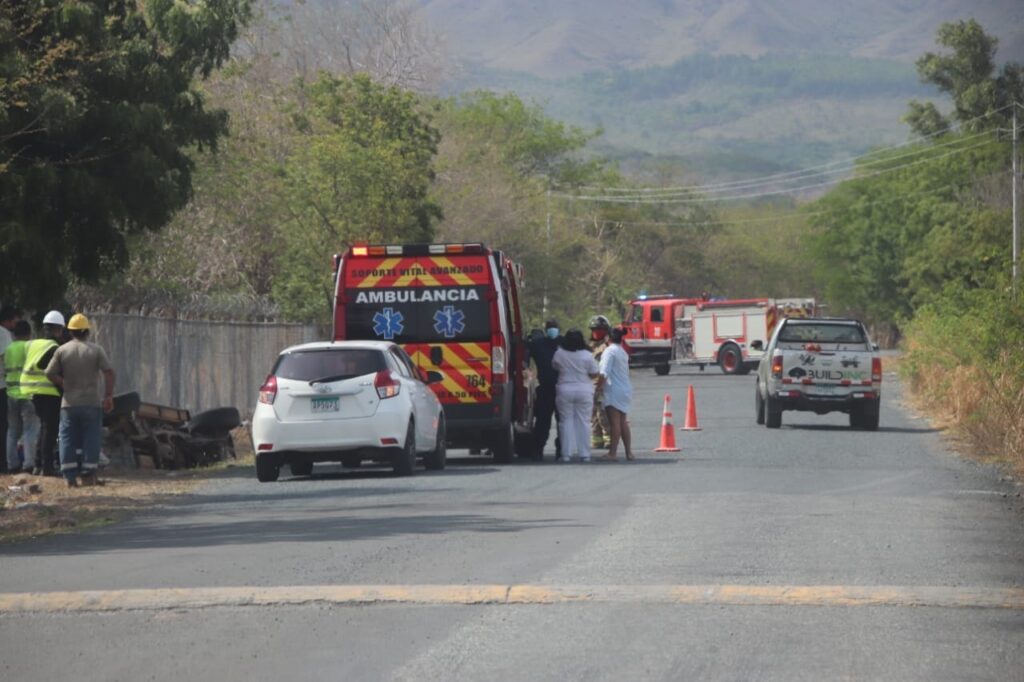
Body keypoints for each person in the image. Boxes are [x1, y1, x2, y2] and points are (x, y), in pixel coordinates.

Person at [45, 313, 115, 487]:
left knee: (68, 438)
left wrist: (64, 384)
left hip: (69, 403)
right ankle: (88, 474)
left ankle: (69, 477)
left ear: (70, 331)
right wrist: (108, 396)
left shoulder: (62, 350)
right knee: (90, 438)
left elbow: (49, 372)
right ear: (86, 331)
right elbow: (109, 372)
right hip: (91, 402)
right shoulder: (96, 350)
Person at [21, 310, 66, 476]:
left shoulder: (34, 343)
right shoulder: (54, 347)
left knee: (44, 429)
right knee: (50, 429)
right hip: (47, 391)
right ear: (60, 329)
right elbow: (47, 368)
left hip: (30, 390)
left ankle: (38, 464)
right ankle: (47, 467)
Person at [551, 329, 599, 463]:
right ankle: (585, 454)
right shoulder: (587, 355)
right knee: (584, 422)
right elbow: (595, 373)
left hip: (565, 390)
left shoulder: (559, 353)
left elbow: (555, 367)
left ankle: (566, 454)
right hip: (584, 390)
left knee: (565, 422)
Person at [5, 320, 38, 473]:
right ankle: (29, 464)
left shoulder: (9, 348)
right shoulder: (28, 347)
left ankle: (12, 464)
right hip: (27, 394)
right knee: (30, 429)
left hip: (11, 393)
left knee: (12, 430)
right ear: (28, 334)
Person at [596, 327, 634, 461]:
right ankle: (629, 452)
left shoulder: (609, 351)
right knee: (623, 421)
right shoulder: (622, 352)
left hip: (614, 390)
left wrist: (598, 387)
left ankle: (612, 453)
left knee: (615, 422)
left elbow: (604, 373)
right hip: (625, 389)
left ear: (608, 338)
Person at [527, 319, 562, 460]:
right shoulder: (539, 344)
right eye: (550, 328)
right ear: (546, 330)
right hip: (554, 388)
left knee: (555, 422)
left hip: (557, 388)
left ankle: (555, 449)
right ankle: (539, 449)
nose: (552, 330)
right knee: (544, 422)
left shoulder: (563, 342)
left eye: (554, 327)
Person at [0, 305, 21, 473]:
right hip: (2, 385)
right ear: (7, 320)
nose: (16, 324)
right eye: (15, 320)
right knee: (4, 425)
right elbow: (6, 357)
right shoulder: (4, 334)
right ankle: (3, 463)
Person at [588, 315, 612, 449]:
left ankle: (609, 438)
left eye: (600, 330)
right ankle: (597, 439)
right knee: (593, 415)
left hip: (603, 384)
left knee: (603, 413)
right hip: (590, 385)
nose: (597, 332)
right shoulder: (589, 347)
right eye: (594, 330)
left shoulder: (607, 347)